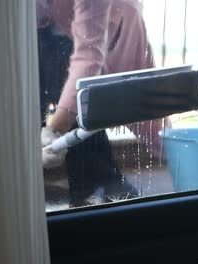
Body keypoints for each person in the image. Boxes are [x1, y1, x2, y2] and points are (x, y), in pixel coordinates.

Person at [37, 0, 159, 206]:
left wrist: (55, 130)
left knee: (93, 104)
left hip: (112, 25)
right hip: (51, 34)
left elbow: (88, 57)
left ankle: (102, 190)